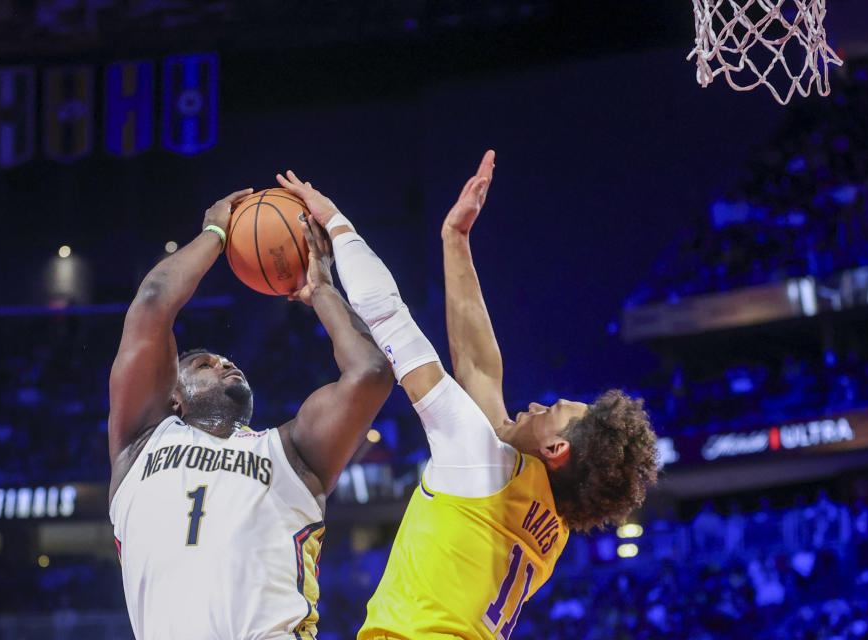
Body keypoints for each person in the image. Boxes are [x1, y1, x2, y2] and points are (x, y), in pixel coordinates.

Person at [276, 152, 659, 640]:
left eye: (552, 412)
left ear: (556, 449)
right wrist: (455, 241)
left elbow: (390, 317)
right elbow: (479, 370)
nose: (538, 406)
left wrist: (335, 221)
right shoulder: (549, 524)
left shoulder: (487, 465)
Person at [107, 188, 394, 640]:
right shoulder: (142, 442)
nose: (223, 362)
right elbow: (153, 302)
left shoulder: (292, 453)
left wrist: (321, 289)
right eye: (203, 364)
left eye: (225, 361)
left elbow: (371, 374)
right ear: (173, 400)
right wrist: (216, 234)